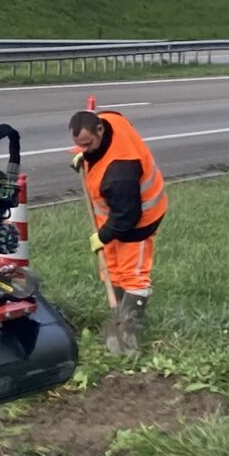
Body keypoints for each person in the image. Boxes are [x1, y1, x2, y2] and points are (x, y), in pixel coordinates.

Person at [70, 107, 165, 354]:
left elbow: (126, 218)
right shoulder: (110, 120)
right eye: (79, 146)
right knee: (112, 271)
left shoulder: (120, 172)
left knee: (133, 275)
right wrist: (87, 158)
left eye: (88, 144)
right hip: (116, 214)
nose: (84, 149)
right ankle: (118, 317)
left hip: (139, 221)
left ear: (99, 130)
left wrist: (102, 236)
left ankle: (129, 332)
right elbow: (103, 143)